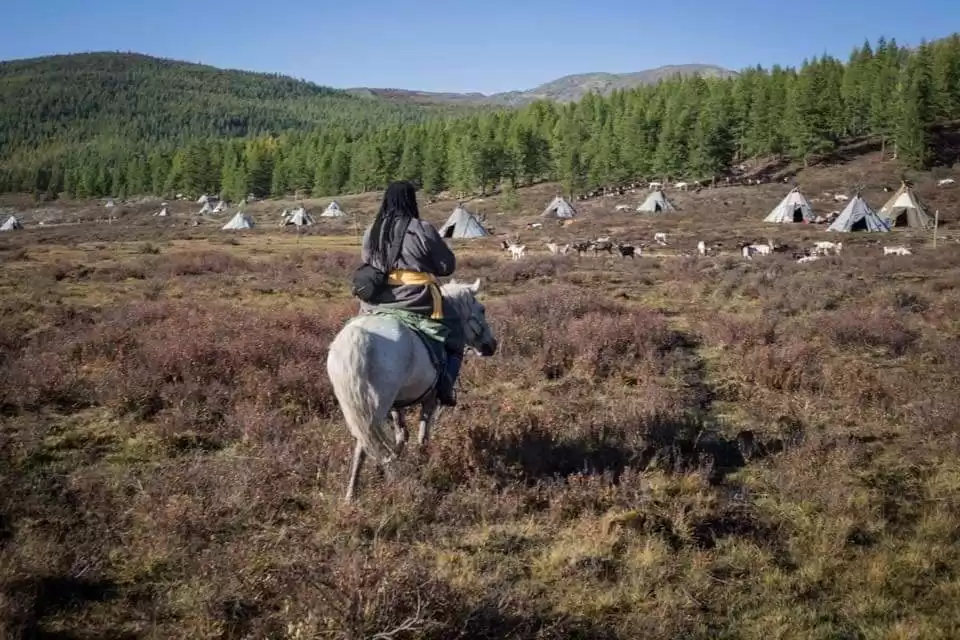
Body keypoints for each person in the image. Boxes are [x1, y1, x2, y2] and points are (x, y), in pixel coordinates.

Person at [358, 181, 464, 406]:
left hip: (376, 301)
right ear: (410, 200)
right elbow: (447, 266)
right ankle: (445, 386)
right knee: (456, 330)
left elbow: (366, 262)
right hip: (416, 298)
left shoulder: (372, 229)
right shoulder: (421, 228)